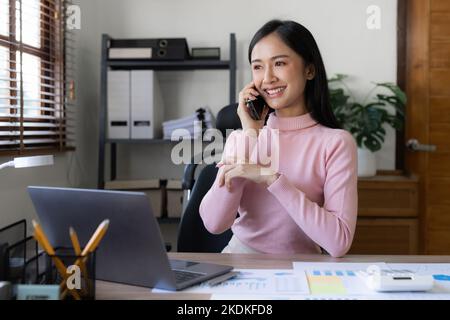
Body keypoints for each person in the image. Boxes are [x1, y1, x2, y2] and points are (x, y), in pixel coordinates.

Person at [199, 20, 358, 258]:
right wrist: (251, 133)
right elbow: (214, 223)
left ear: (310, 69)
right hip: (240, 261)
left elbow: (338, 243)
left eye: (280, 63)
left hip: (304, 269)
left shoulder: (336, 143)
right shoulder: (243, 138)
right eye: (258, 67)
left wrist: (271, 178)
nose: (268, 78)